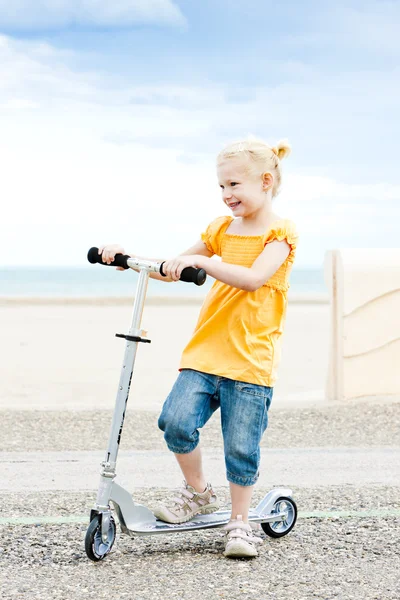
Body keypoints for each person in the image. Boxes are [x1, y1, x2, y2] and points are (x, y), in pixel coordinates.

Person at [99, 136, 298, 558]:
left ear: (265, 181)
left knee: (241, 445)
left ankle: (241, 522)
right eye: (221, 187)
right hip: (206, 351)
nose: (226, 195)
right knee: (175, 421)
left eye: (234, 186)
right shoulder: (219, 230)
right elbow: (172, 267)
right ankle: (198, 492)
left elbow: (253, 279)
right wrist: (126, 259)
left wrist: (205, 263)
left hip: (250, 358)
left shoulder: (280, 235)